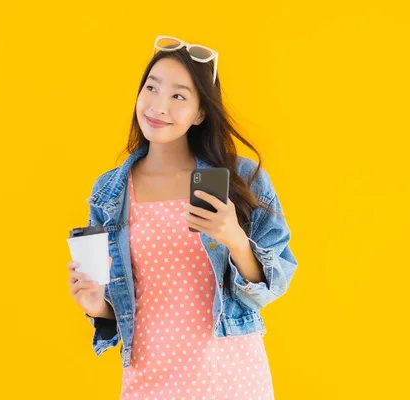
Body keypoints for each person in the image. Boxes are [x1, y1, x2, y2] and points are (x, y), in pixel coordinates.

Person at [66, 36, 297, 399]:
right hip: (149, 378)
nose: (158, 106)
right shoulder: (110, 192)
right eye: (151, 88)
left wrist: (235, 238)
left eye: (178, 96)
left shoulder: (242, 178)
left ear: (201, 112)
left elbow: (274, 281)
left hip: (230, 377)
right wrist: (97, 305)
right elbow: (119, 300)